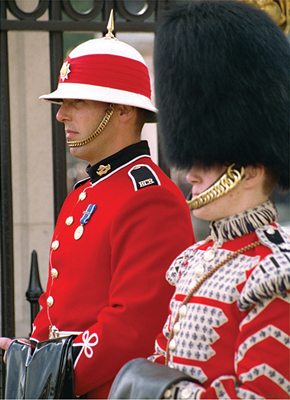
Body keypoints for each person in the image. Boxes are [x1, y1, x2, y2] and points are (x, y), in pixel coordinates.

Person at [0, 11, 195, 399]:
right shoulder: (86, 190)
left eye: (77, 102)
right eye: (61, 102)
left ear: (122, 110)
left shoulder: (149, 195)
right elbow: (55, 308)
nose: (60, 114)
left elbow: (133, 331)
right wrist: (30, 353)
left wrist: (43, 370)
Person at [108, 1, 290, 399]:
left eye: (205, 162)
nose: (189, 173)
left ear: (252, 170)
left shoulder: (276, 273)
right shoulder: (193, 261)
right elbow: (162, 358)